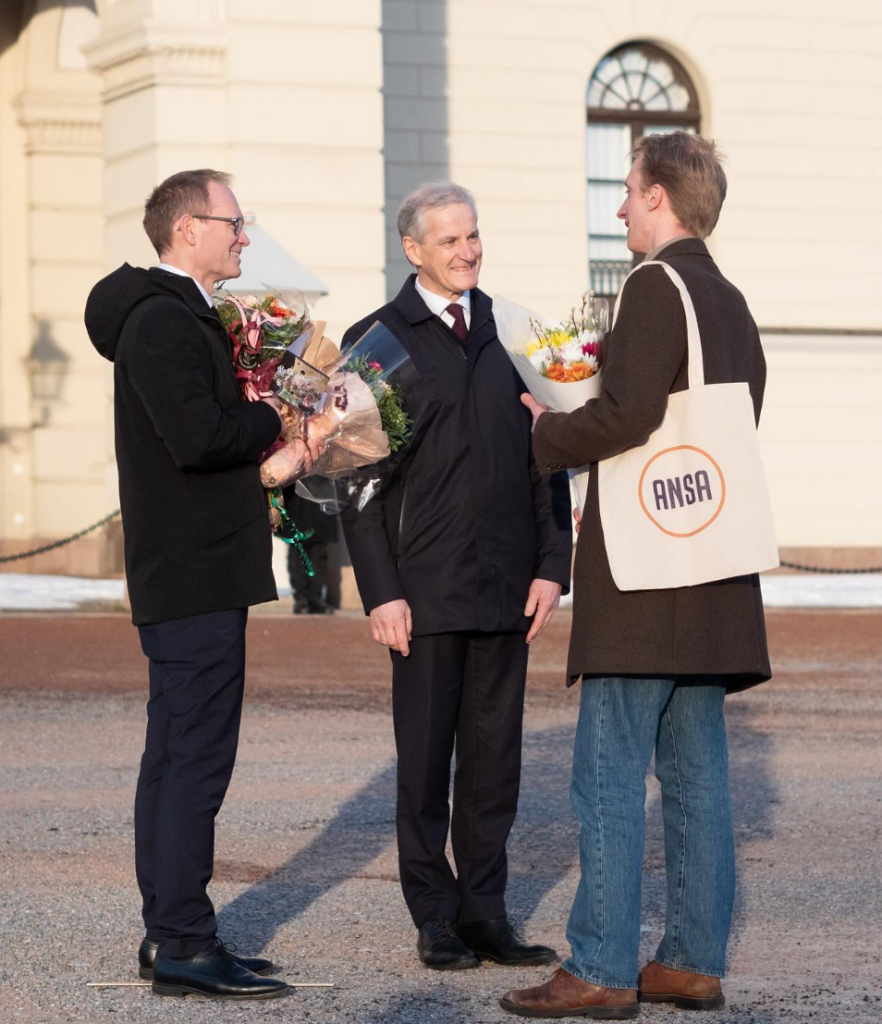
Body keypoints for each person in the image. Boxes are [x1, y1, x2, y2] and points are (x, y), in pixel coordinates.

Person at [500, 133, 772, 1019]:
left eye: (627, 191)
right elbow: (737, 413)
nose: (619, 207)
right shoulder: (727, 296)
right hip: (713, 572)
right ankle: (690, 959)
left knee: (609, 773)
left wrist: (542, 430)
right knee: (698, 778)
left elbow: (630, 413)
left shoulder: (657, 285)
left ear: (661, 197)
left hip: (647, 579)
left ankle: (602, 966)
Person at [85, 169, 316, 1000]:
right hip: (191, 572)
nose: (244, 235)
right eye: (233, 222)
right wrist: (277, 428)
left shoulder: (180, 316)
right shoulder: (161, 321)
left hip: (194, 566)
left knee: (175, 757)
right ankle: (183, 938)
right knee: (192, 762)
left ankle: (170, 930)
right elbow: (195, 437)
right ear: (187, 229)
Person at [341, 182, 572, 971]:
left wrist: (552, 563)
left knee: (494, 763)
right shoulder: (376, 340)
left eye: (473, 236)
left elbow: (548, 449)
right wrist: (381, 590)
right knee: (426, 764)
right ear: (413, 250)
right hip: (424, 590)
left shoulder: (513, 332)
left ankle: (485, 913)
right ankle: (433, 916)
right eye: (450, 241)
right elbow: (357, 481)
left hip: (507, 584)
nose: (468, 251)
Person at [282, 487, 340, 614]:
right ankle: (301, 598)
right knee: (299, 550)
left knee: (319, 551)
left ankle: (315, 597)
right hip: (297, 494)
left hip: (320, 493)